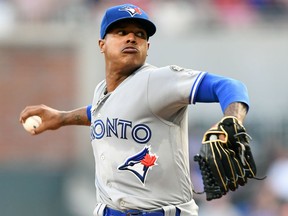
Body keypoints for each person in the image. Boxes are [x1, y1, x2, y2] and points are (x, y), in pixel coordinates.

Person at [19, 3, 250, 216]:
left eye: (140, 35)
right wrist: (62, 118)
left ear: (147, 47)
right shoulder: (103, 90)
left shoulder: (158, 81)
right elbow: (103, 112)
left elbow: (229, 86)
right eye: (121, 32)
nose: (131, 38)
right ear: (102, 44)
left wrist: (232, 121)